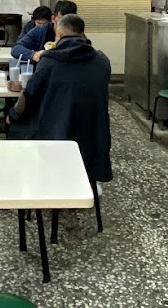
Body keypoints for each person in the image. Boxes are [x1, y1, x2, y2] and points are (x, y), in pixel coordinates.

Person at [9, 14, 111, 184]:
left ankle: (32, 181)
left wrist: (12, 116)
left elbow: (29, 96)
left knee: (17, 130)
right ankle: (87, 186)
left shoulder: (49, 61)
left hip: (56, 133)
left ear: (59, 35)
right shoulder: (102, 61)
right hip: (93, 135)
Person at [11, 0, 77, 63]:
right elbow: (16, 49)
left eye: (69, 24)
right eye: (61, 22)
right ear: (53, 19)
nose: (64, 28)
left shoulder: (77, 35)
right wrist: (34, 55)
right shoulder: (40, 31)